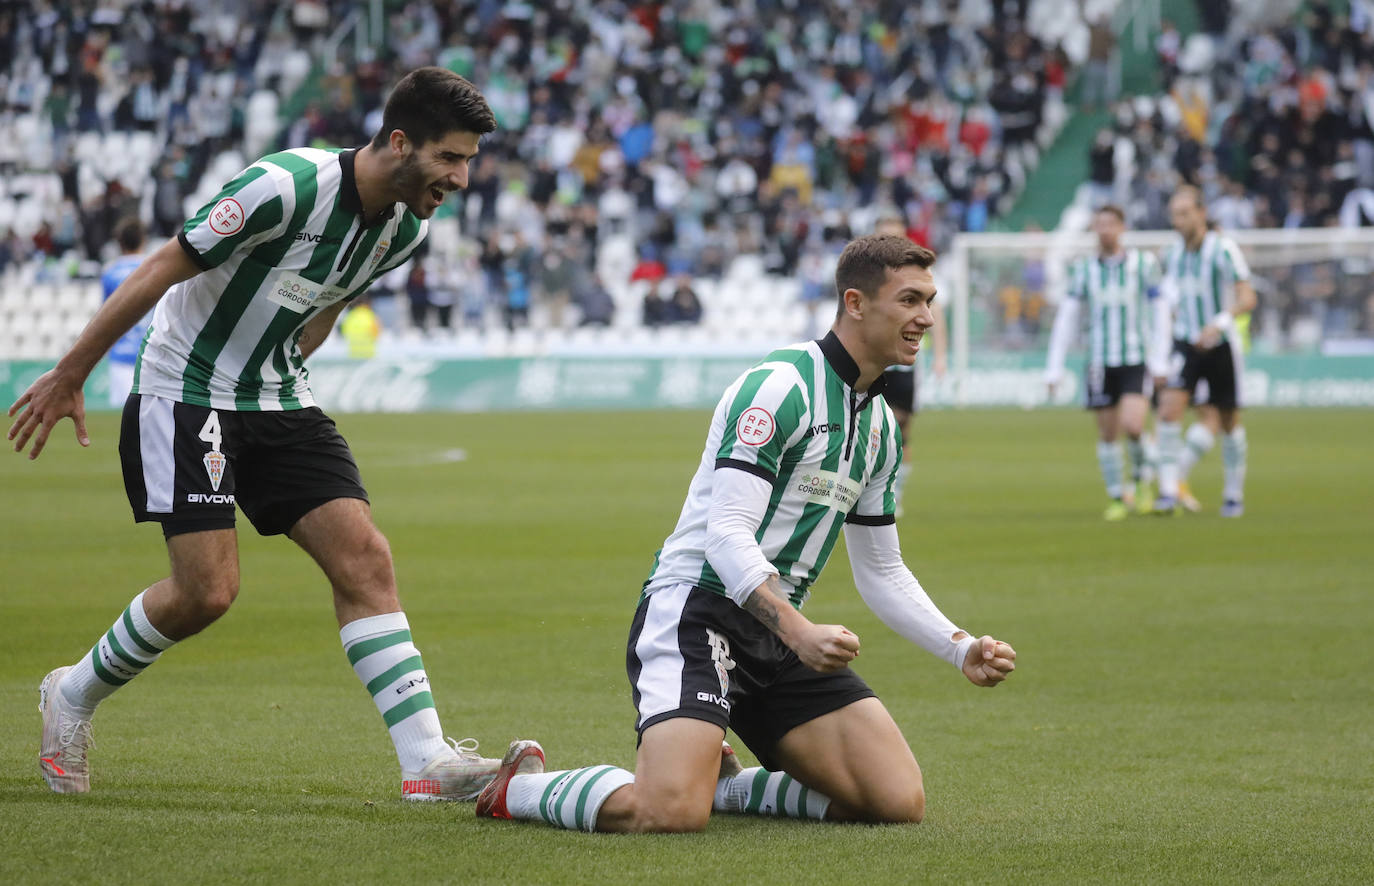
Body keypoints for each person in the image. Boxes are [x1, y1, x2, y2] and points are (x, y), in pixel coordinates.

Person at [8, 67, 507, 800]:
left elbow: (331, 300)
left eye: (467, 160)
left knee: (365, 558)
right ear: (400, 142)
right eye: (450, 158)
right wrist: (70, 373)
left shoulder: (405, 229)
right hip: (184, 388)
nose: (463, 178)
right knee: (206, 593)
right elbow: (161, 268)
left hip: (277, 398)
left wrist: (285, 373)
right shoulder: (284, 185)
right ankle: (71, 694)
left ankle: (425, 761)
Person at [474, 235, 1016, 833]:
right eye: (911, 300)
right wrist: (801, 631)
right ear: (856, 303)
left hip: (778, 636)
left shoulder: (881, 426)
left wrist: (958, 646)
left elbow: (882, 570)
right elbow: (725, 534)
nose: (926, 318)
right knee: (669, 812)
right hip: (698, 612)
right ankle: (521, 789)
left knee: (893, 801)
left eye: (930, 301)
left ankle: (726, 786)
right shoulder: (780, 387)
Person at [1044, 205, 1168, 520]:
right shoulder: (1084, 269)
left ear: (1122, 227)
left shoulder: (1143, 264)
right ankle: (1117, 496)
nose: (1105, 229)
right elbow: (1068, 318)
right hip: (1099, 361)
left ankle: (1141, 482)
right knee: (1108, 433)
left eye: (1110, 223)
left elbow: (1160, 310)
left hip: (1135, 357)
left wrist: (1160, 358)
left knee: (1134, 425)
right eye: (1099, 224)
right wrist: (1054, 365)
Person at [1152, 185, 1257, 517]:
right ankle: (1169, 490)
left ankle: (1233, 493)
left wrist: (1220, 322)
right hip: (1185, 343)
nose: (1178, 221)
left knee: (1228, 420)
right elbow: (1166, 298)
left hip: (1221, 344)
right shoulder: (1171, 254)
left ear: (1201, 213)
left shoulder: (1223, 249)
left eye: (1184, 214)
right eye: (1174, 215)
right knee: (1169, 409)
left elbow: (1247, 297)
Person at [873, 215, 945, 518]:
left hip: (905, 363)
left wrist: (940, 355)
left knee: (900, 430)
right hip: (874, 360)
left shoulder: (918, 273)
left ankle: (895, 494)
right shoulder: (867, 274)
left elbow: (935, 312)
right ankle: (866, 493)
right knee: (868, 429)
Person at [101, 216, 149, 407]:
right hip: (149, 356)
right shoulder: (154, 268)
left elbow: (104, 316)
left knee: (120, 421)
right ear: (143, 240)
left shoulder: (110, 272)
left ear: (119, 243)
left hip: (120, 355)